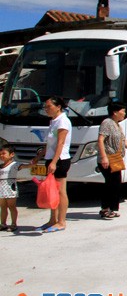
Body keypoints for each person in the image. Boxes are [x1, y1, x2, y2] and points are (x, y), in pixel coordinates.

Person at [97, 102, 127, 219]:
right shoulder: (107, 123)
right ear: (115, 112)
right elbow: (100, 140)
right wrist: (103, 157)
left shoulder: (117, 125)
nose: (124, 113)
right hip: (108, 159)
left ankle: (111, 209)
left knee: (115, 183)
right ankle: (105, 209)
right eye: (123, 111)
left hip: (116, 158)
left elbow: (123, 141)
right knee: (111, 183)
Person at [40, 96, 71, 232]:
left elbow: (61, 143)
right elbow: (50, 143)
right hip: (51, 158)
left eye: (49, 107)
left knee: (60, 191)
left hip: (60, 160)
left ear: (58, 107)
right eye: (45, 107)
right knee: (52, 191)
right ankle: (53, 219)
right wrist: (39, 157)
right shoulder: (53, 121)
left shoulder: (63, 121)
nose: (46, 109)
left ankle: (61, 221)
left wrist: (54, 162)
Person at [0, 143, 24, 232]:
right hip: (1, 188)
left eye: (3, 153)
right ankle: (3, 223)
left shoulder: (15, 165)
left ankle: (13, 224)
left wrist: (33, 163)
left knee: (11, 206)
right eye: (0, 154)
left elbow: (25, 166)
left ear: (12, 154)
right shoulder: (1, 166)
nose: (1, 156)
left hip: (10, 188)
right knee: (2, 207)